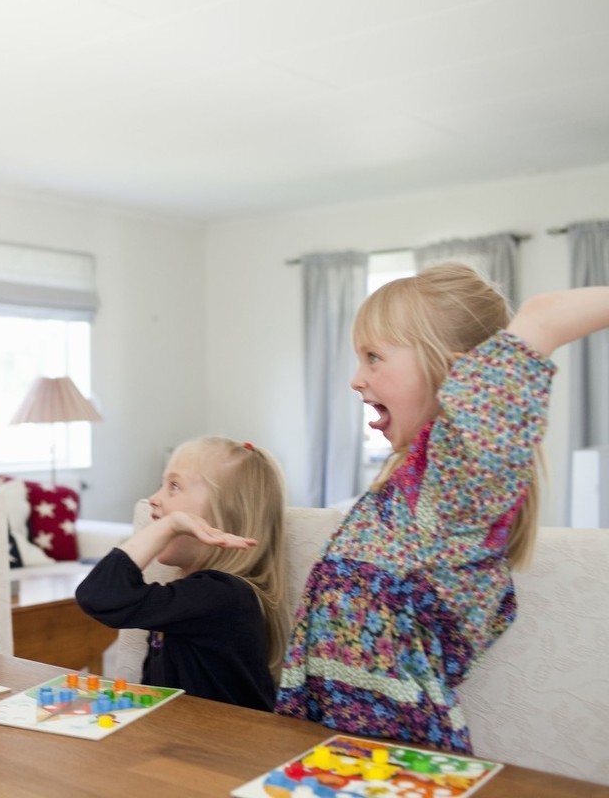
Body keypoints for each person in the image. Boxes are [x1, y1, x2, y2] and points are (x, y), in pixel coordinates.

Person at [276, 264, 609, 753]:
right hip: (331, 743)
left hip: (396, 758)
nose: (355, 379)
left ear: (457, 375)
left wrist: (538, 322)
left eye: (373, 357)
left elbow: (544, 317)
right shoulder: (404, 490)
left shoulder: (455, 490)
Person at [75, 436, 287, 711]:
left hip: (226, 749)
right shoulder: (192, 594)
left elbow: (100, 595)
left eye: (174, 486)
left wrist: (169, 526)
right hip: (179, 742)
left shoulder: (221, 597)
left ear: (225, 514)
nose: (153, 498)